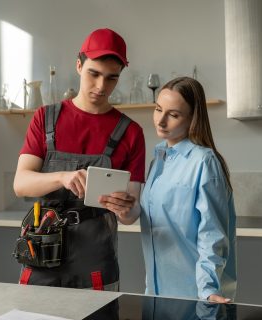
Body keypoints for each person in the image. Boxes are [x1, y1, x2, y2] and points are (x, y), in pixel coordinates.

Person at [13, 28, 145, 290]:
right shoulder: (45, 118)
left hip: (95, 259)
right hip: (42, 253)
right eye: (93, 74)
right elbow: (21, 184)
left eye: (111, 78)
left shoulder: (130, 132)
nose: (101, 86)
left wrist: (125, 208)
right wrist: (62, 177)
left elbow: (131, 215)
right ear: (78, 65)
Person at [140, 76, 236, 303]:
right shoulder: (159, 159)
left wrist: (208, 289)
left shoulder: (204, 161)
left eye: (173, 115)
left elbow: (211, 234)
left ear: (193, 118)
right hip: (156, 291)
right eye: (158, 109)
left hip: (195, 294)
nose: (160, 121)